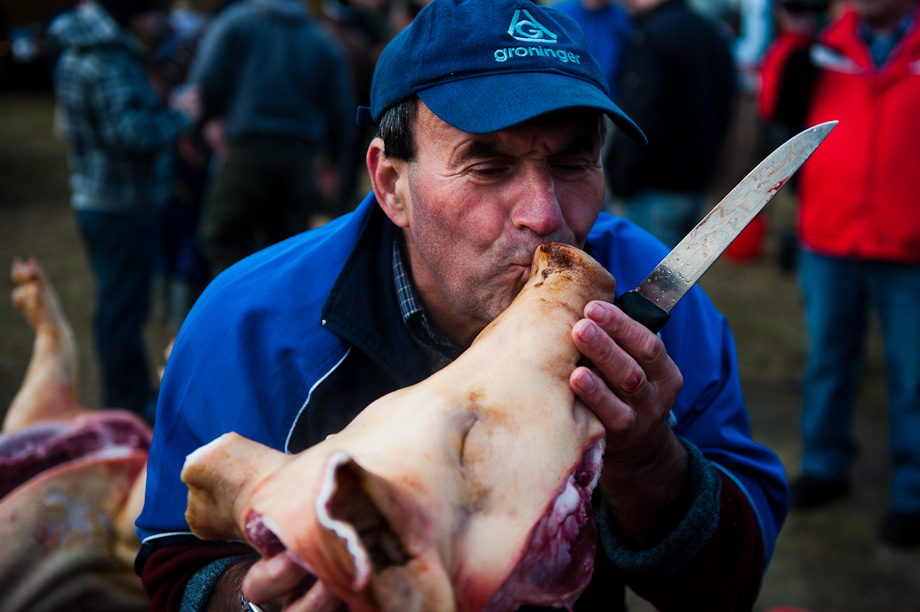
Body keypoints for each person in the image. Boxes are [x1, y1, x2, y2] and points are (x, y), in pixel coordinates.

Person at [136, 1, 788, 610]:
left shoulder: (659, 305)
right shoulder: (252, 324)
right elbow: (175, 563)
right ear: (392, 184)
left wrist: (651, 466)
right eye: (487, 166)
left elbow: (728, 582)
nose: (545, 216)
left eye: (571, 162)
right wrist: (259, 597)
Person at [759, 0, 920, 549]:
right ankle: (825, 466)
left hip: (909, 244)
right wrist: (797, 39)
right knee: (829, 361)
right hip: (829, 235)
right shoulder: (822, 44)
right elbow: (776, 107)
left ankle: (913, 493)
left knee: (914, 375)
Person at [49, 0, 196, 421]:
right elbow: (129, 133)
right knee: (122, 310)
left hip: (98, 198)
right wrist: (182, 116)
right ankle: (127, 404)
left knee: (119, 306)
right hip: (120, 204)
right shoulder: (108, 57)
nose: (161, 20)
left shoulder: (80, 51)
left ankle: (126, 396)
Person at [184, 0, 355, 278]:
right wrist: (334, 161)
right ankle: (276, 316)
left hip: (245, 152)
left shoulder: (236, 23)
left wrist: (198, 128)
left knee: (223, 238)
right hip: (300, 160)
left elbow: (205, 82)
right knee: (288, 250)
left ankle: (233, 311)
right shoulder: (321, 40)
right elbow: (341, 111)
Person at [605, 0, 737, 248]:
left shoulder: (654, 35)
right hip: (696, 182)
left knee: (651, 278)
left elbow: (642, 115)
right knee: (679, 275)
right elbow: (726, 104)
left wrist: (621, 180)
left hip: (653, 188)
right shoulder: (709, 31)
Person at [551, 0, 633, 101]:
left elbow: (627, 63)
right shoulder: (560, 13)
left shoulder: (621, 19)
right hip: (568, 96)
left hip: (608, 98)